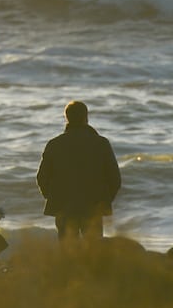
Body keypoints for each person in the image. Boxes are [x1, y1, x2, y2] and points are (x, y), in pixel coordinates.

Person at [36, 100, 121, 242]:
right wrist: (102, 201)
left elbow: (41, 178)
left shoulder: (54, 144)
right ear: (85, 117)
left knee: (68, 252)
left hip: (64, 207)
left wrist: (54, 197)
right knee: (93, 252)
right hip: (93, 207)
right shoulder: (101, 143)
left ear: (66, 118)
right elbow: (115, 179)